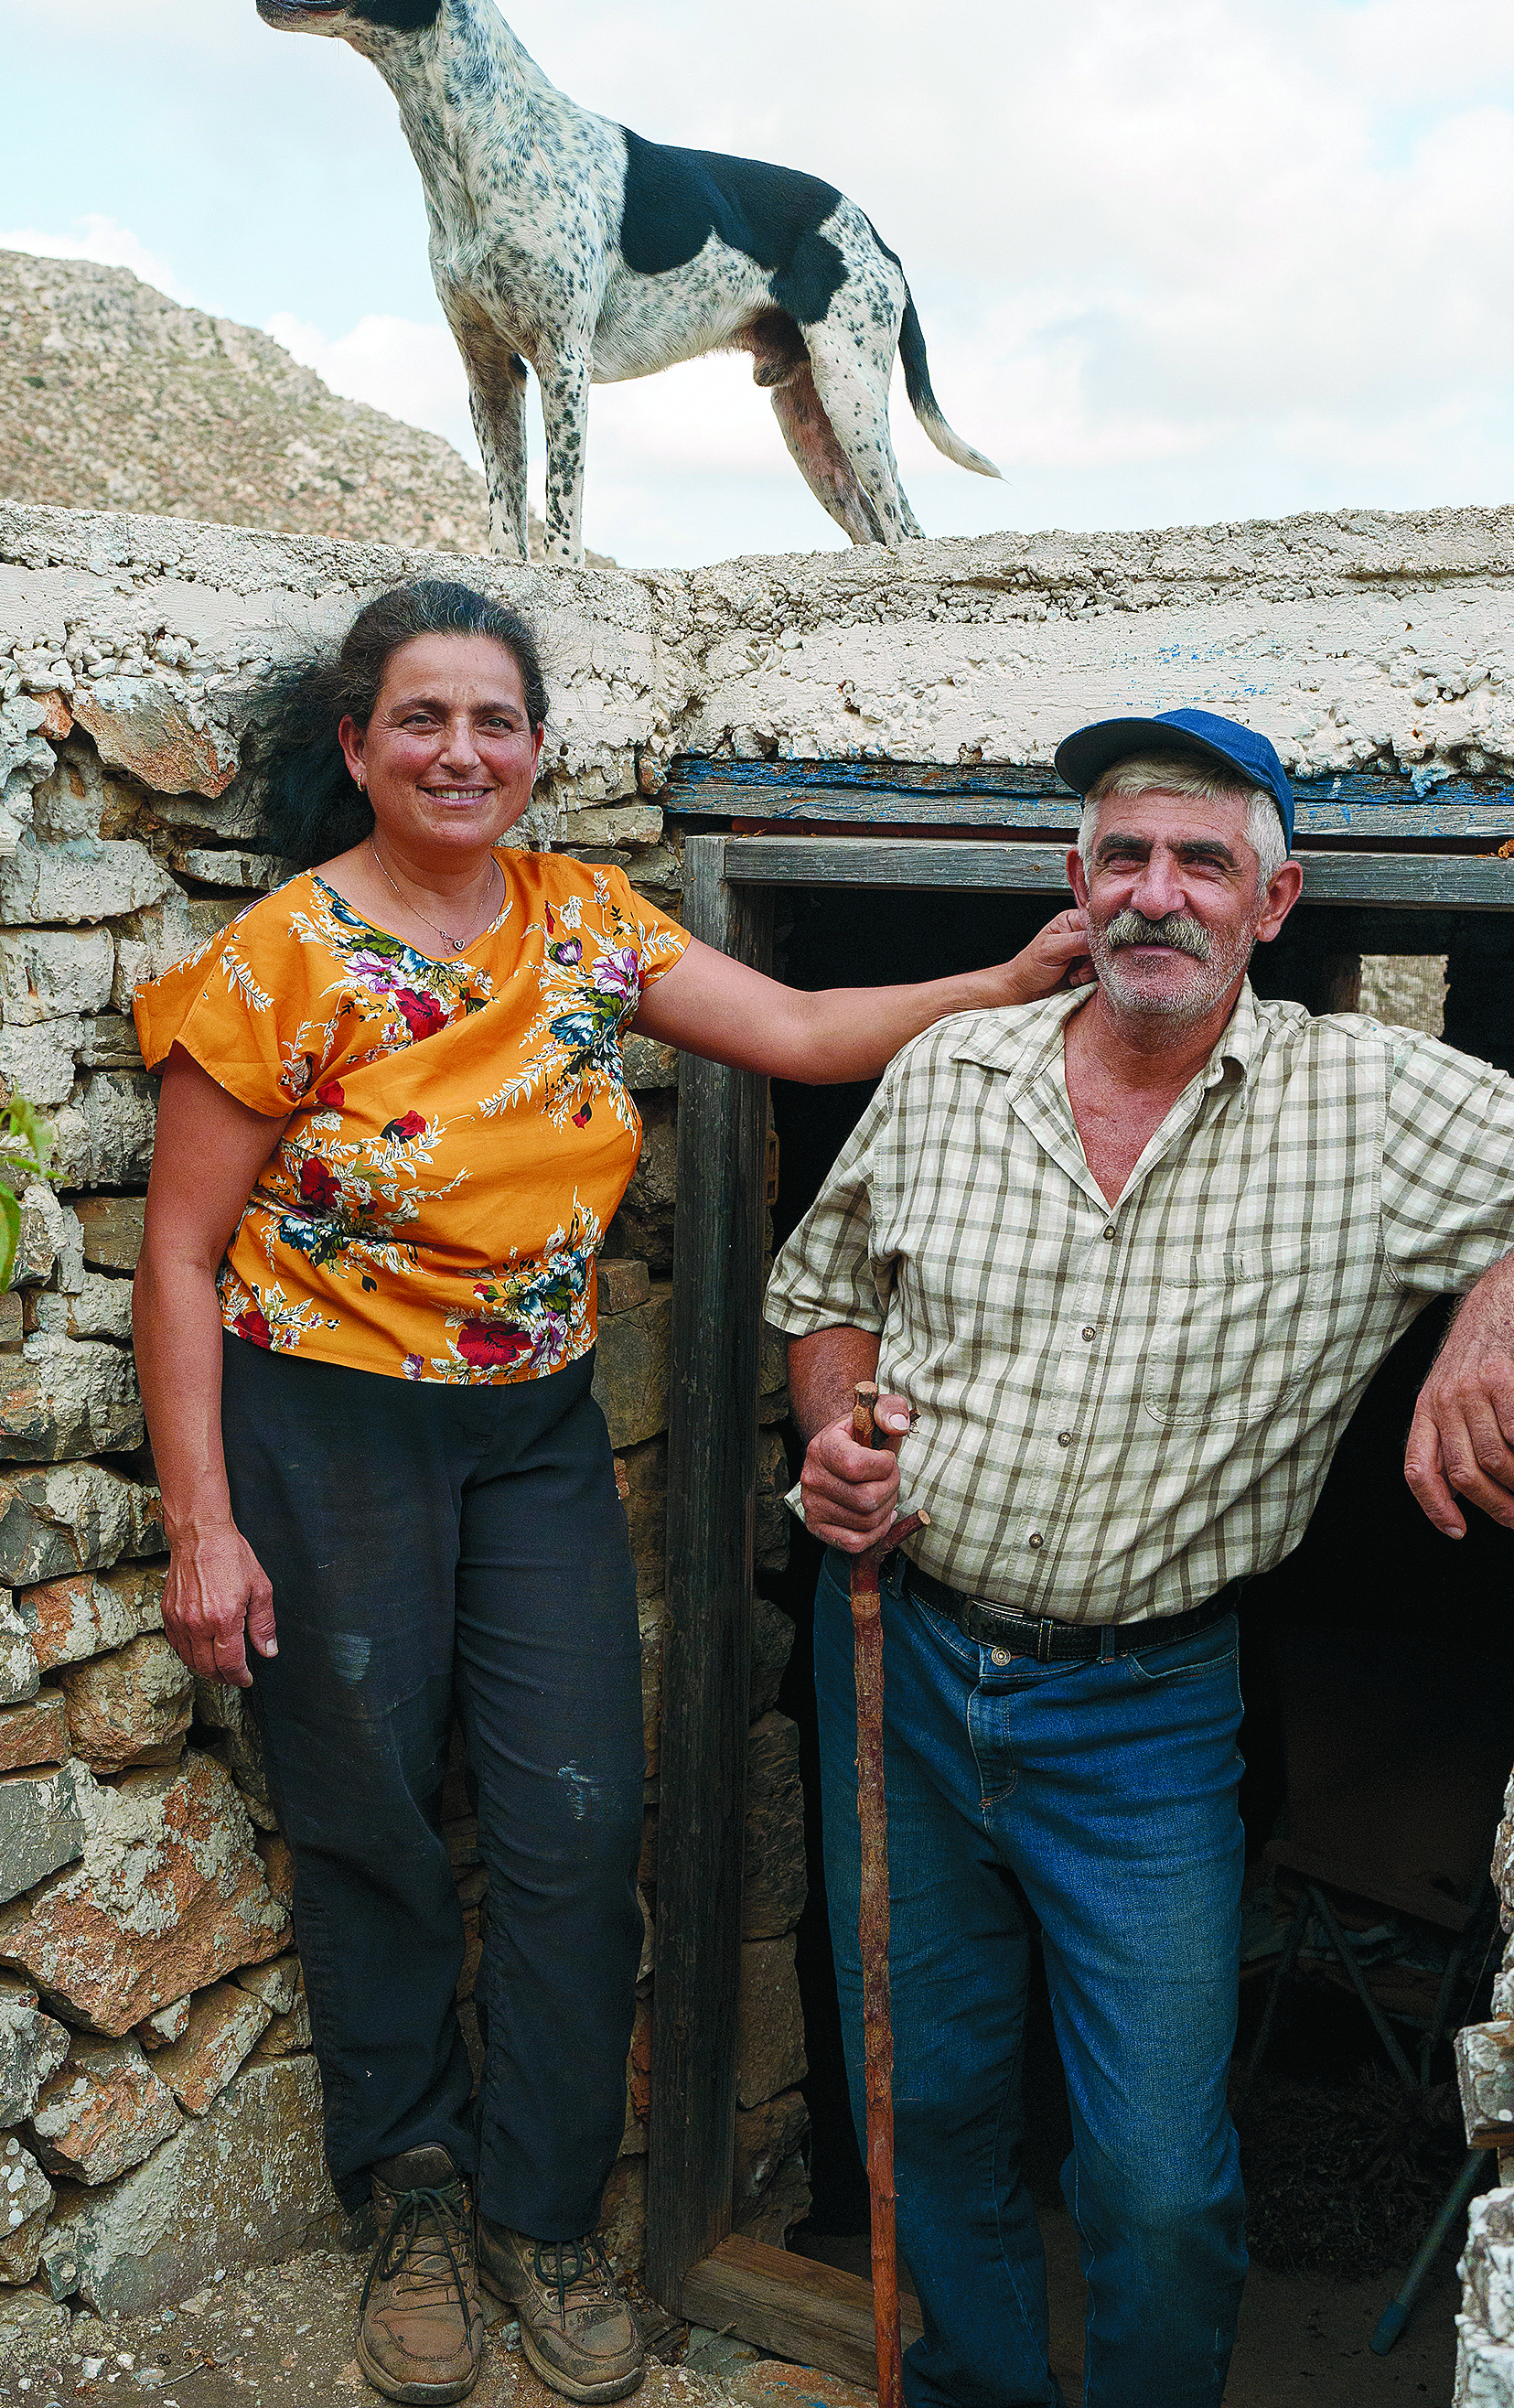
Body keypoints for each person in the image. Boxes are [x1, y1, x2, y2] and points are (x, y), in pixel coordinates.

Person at [130, 578, 1087, 2408]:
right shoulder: (283, 960)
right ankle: (409, 2192)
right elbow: (180, 1258)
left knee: (579, 1816)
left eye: (495, 720)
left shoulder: (583, 920)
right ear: (359, 746)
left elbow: (799, 1029)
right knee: (374, 1819)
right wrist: (203, 1519)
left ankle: (542, 2214)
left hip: (533, 1427)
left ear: (539, 749)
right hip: (323, 1430)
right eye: (422, 718)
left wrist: (1003, 980)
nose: (462, 750)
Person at [766, 704, 1514, 2408]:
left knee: (1151, 2176)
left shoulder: (1361, 1099)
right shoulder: (947, 1073)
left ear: (1270, 901)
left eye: (1200, 861)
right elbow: (828, 1289)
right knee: (919, 2112)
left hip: (1142, 1714)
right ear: (1074, 884)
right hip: (902, 1664)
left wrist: (1503, 1291)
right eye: (1125, 856)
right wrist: (833, 1440)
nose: (1158, 894)